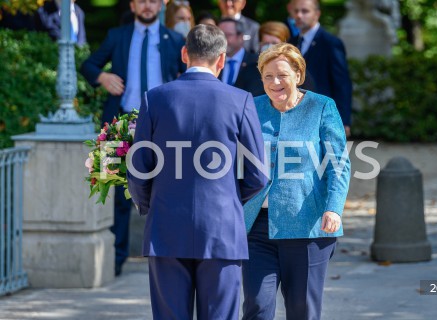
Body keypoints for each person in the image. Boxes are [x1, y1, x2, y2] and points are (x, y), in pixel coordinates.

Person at [127, 24, 267, 320]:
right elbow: (258, 176)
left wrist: (154, 204)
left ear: (183, 54)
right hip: (222, 229)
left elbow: (138, 170)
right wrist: (228, 198)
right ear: (221, 59)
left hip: (166, 225)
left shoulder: (155, 98)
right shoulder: (240, 100)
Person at [242, 43, 350, 320]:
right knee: (256, 305)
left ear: (298, 75)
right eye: (268, 76)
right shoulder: (250, 108)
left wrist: (334, 208)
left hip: (307, 226)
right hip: (256, 226)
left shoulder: (321, 106)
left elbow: (338, 163)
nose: (275, 82)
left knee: (302, 310)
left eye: (282, 75)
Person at [80, 0, 184, 277]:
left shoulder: (174, 39)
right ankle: (116, 258)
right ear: (133, 4)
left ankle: (169, 257)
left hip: (165, 127)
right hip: (121, 124)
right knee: (117, 195)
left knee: (169, 191)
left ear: (162, 4)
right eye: (142, 1)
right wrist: (102, 76)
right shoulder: (118, 35)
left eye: (153, 1)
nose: (147, 6)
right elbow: (88, 65)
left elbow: (188, 76)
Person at [290, 0, 352, 137]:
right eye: (296, 11)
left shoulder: (331, 43)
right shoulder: (290, 43)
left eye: (305, 11)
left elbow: (342, 84)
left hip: (322, 114)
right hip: (294, 114)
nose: (299, 15)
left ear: (316, 14)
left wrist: (344, 120)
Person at [259, 21, 316, 91]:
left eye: (274, 43)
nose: (269, 47)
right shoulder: (249, 71)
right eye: (265, 43)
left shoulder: (297, 71)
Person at [218, 18, 264, 96]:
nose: (222, 40)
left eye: (227, 35)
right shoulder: (212, 62)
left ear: (240, 37)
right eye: (219, 36)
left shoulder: (256, 63)